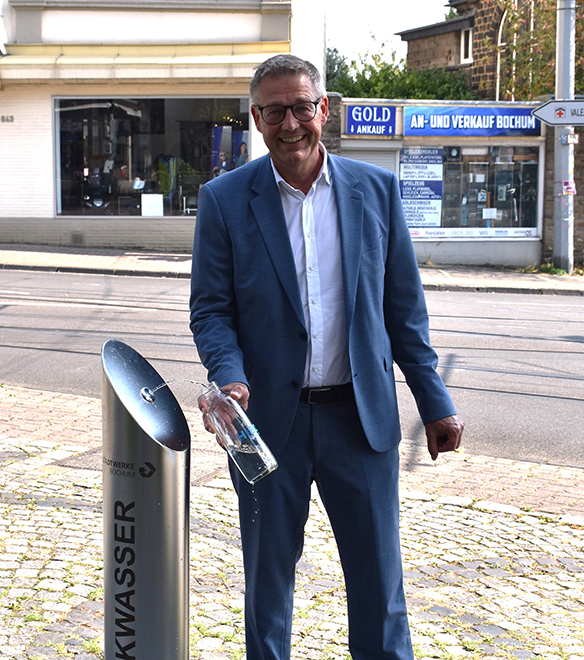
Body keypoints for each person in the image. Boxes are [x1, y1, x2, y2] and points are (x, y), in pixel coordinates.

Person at [189, 54, 464, 660]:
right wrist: (228, 377)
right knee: (267, 585)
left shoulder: (376, 192)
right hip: (266, 429)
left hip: (359, 423)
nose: (291, 124)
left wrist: (434, 402)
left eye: (301, 107)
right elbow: (211, 310)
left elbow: (404, 313)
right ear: (257, 120)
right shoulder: (226, 200)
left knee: (379, 584)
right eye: (274, 111)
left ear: (324, 108)